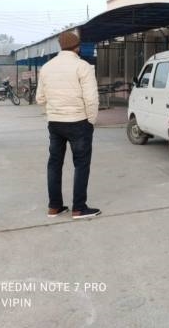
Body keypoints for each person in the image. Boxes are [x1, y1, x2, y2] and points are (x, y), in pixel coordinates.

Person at [36, 31, 101, 219]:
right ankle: (79, 208)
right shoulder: (83, 66)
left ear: (60, 46)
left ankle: (54, 206)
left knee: (54, 164)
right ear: (77, 47)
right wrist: (91, 121)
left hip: (55, 122)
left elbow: (40, 98)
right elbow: (91, 98)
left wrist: (52, 112)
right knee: (81, 164)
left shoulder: (46, 67)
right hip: (78, 121)